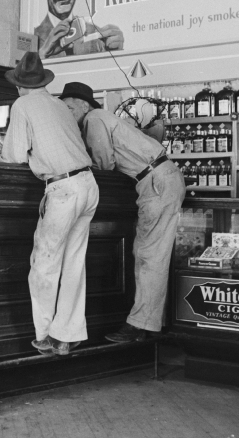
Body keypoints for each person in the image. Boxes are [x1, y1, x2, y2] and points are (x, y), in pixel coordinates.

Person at [59, 82, 185, 343]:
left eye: (69, 107)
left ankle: (140, 327)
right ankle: (147, 324)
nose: (67, 113)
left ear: (84, 105)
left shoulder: (93, 119)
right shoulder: (100, 118)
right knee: (148, 255)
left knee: (149, 256)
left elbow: (104, 163)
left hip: (155, 181)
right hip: (158, 179)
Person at [1, 52, 99, 356]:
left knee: (44, 264)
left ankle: (43, 334)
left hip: (63, 189)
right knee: (73, 264)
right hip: (88, 185)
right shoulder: (58, 104)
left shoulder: (22, 104)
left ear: (19, 86)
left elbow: (14, 156)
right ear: (43, 82)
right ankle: (65, 335)